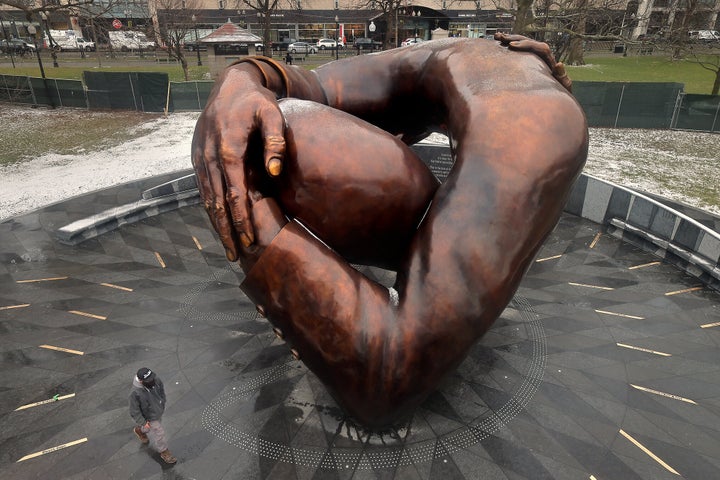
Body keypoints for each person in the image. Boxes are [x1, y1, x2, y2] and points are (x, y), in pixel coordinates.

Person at [191, 34, 588, 427]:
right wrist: (237, 83)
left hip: (531, 139)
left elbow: (385, 386)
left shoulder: (526, 139)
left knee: (271, 145)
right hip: (498, 123)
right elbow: (315, 85)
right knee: (269, 131)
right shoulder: (459, 56)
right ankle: (437, 269)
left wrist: (245, 213)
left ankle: (438, 275)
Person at [129, 367, 177, 464]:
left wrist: (162, 401)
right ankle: (164, 452)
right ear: (141, 381)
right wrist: (143, 422)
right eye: (148, 380)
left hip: (158, 410)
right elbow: (134, 410)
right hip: (149, 416)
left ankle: (140, 430)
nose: (152, 381)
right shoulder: (135, 393)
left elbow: (161, 390)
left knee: (148, 428)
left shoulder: (155, 379)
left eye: (152, 378)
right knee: (159, 433)